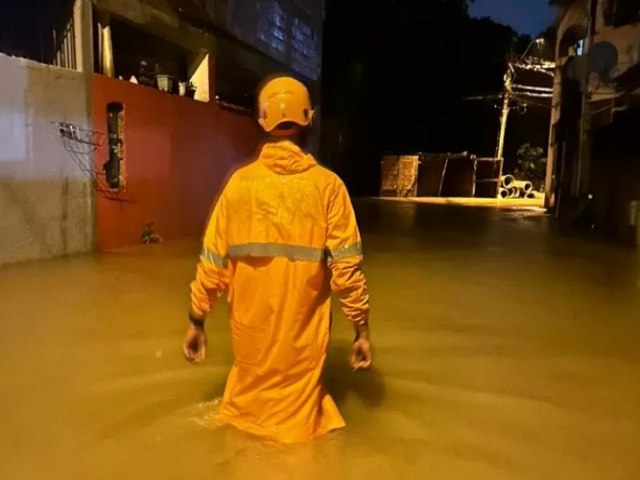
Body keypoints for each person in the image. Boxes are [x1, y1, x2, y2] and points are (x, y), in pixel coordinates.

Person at [183, 75, 372, 443]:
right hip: (302, 354)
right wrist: (360, 330)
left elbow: (212, 263)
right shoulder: (328, 188)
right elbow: (347, 271)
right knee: (302, 441)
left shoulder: (238, 186)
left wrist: (197, 320)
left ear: (262, 121)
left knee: (240, 428)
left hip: (250, 348)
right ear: (309, 120)